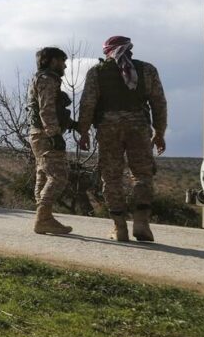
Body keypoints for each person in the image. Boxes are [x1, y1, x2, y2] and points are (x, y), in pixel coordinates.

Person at [77, 36, 167, 242]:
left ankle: (119, 228)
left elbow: (88, 104)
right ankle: (142, 222)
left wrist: (83, 131)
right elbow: (159, 102)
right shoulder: (148, 70)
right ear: (130, 50)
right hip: (139, 127)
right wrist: (159, 132)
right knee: (143, 175)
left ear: (107, 51)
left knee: (111, 177)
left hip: (108, 128)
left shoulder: (97, 72)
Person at [28, 47, 75, 235]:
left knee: (43, 175)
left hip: (39, 133)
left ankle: (42, 218)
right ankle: (44, 218)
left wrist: (72, 124)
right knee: (58, 175)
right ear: (53, 61)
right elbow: (46, 109)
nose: (64, 65)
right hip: (45, 134)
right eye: (62, 61)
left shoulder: (43, 79)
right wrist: (54, 134)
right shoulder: (47, 80)